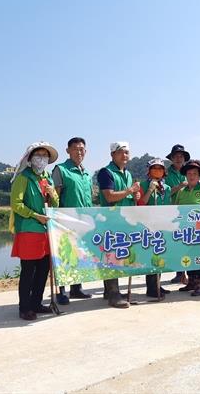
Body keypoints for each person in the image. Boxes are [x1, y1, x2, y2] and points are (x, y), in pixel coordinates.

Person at [9, 142, 59, 320]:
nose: (42, 159)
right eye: (38, 155)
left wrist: (52, 193)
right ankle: (24, 307)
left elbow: (56, 204)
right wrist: (35, 215)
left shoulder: (48, 178)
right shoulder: (23, 178)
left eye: (45, 156)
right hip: (29, 230)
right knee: (28, 271)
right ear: (30, 158)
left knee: (43, 270)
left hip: (45, 231)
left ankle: (36, 303)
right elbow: (16, 204)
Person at [97, 142, 141, 308]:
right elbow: (109, 196)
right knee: (112, 256)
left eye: (127, 152)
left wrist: (134, 196)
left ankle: (109, 291)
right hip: (111, 221)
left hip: (125, 221)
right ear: (112, 155)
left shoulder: (127, 174)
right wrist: (130, 191)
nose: (124, 155)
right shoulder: (106, 172)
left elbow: (126, 196)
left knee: (119, 255)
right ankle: (114, 294)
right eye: (120, 152)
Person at [52, 137, 93, 304]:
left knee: (79, 255)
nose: (79, 152)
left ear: (86, 151)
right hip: (65, 221)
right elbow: (54, 196)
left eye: (82, 149)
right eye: (75, 149)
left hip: (83, 222)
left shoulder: (87, 173)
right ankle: (61, 291)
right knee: (63, 256)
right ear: (68, 151)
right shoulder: (61, 170)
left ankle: (76, 288)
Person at [175, 160, 200, 296]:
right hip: (186, 232)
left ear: (199, 176)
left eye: (194, 174)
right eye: (189, 173)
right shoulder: (181, 192)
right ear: (186, 175)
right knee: (188, 256)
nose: (191, 176)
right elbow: (177, 211)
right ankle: (191, 282)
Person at [137, 158, 172, 298]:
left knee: (160, 255)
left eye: (160, 168)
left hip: (162, 226)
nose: (157, 171)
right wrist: (150, 190)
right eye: (154, 168)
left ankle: (157, 284)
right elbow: (141, 204)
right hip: (148, 226)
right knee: (151, 257)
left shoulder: (167, 188)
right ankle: (151, 288)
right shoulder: (143, 185)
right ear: (149, 170)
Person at [164, 144, 190, 284]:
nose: (179, 158)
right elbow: (164, 193)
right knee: (176, 244)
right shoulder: (166, 173)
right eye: (176, 156)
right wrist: (179, 186)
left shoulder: (190, 171)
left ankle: (189, 274)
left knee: (188, 243)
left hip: (189, 213)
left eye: (181, 156)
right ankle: (179, 273)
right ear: (172, 158)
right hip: (172, 213)